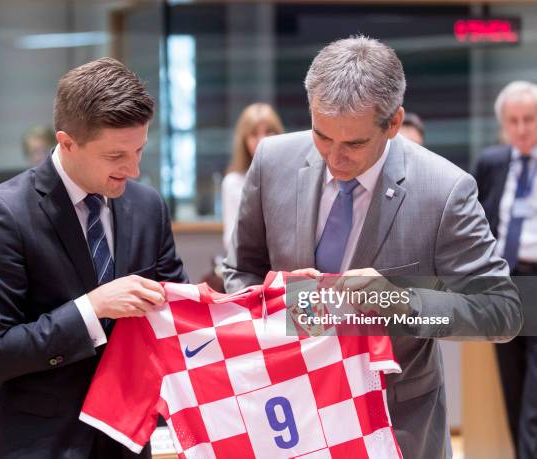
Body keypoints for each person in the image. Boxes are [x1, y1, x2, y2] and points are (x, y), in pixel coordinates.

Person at [223, 36, 522, 459]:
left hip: (396, 422)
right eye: (322, 136)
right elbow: (242, 270)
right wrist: (276, 298)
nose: (334, 158)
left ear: (394, 123)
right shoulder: (273, 160)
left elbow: (503, 310)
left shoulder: (445, 190)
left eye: (355, 144)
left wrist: (399, 302)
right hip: (287, 412)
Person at [0, 57, 187, 459]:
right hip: (34, 445)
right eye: (117, 155)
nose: (133, 170)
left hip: (126, 442)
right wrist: (91, 309)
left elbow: (179, 314)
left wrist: (280, 302)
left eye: (139, 150)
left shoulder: (149, 206)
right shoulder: (2, 214)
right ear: (66, 142)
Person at [474, 80, 537, 459]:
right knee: (511, 386)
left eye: (529, 119)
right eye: (513, 121)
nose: (522, 128)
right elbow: (476, 221)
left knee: (534, 396)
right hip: (505, 284)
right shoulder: (491, 163)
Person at [222, 102, 284, 250]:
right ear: (244, 140)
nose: (262, 140)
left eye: (268, 132)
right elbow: (230, 239)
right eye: (254, 134)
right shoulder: (233, 183)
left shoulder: (293, 176)